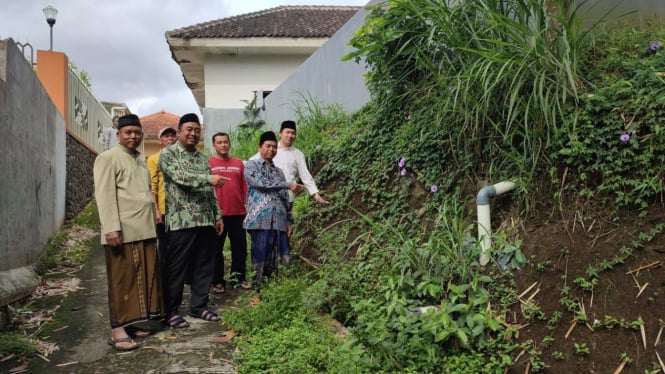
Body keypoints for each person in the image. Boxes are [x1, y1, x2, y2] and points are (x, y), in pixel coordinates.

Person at [93, 114, 163, 351]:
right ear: (119, 135)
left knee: (141, 280)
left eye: (137, 132)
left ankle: (133, 324)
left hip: (144, 229)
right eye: (128, 132)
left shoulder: (139, 159)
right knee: (121, 282)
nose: (133, 136)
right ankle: (117, 330)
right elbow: (104, 196)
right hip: (122, 231)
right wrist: (111, 227)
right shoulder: (107, 158)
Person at [158, 113, 226, 327]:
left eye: (197, 130)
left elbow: (210, 191)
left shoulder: (202, 159)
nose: (194, 133)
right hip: (182, 222)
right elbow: (181, 177)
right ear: (179, 132)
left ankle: (199, 306)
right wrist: (208, 178)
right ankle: (170, 311)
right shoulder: (168, 155)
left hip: (205, 220)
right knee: (176, 267)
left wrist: (217, 215)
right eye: (189, 129)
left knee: (204, 265)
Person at [244, 131, 300, 288]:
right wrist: (287, 184)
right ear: (260, 147)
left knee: (278, 258)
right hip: (260, 220)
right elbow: (261, 183)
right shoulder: (251, 165)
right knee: (259, 256)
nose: (271, 149)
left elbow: (284, 197)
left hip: (279, 221)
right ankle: (256, 291)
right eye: (268, 146)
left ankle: (273, 291)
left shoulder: (279, 172)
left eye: (274, 147)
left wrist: (289, 220)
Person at [209, 132, 250, 292]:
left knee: (239, 248)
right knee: (216, 249)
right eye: (219, 142)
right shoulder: (209, 163)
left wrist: (248, 204)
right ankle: (217, 281)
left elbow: (245, 186)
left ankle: (238, 278)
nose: (223, 145)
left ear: (230, 144)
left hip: (238, 212)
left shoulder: (239, 163)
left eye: (226, 142)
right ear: (214, 145)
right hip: (218, 214)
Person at [146, 126, 177, 295]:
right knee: (164, 248)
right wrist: (156, 211)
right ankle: (164, 281)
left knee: (179, 247)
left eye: (172, 135)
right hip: (164, 211)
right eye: (166, 136)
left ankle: (178, 276)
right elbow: (153, 186)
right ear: (160, 140)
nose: (170, 139)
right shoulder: (153, 159)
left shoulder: (180, 157)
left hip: (181, 213)